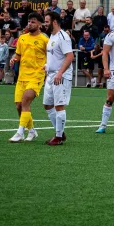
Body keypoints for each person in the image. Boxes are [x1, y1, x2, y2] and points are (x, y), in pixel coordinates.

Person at [7, 13, 49, 143]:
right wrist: (14, 58)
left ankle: (20, 133)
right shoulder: (22, 38)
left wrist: (49, 65)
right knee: (19, 106)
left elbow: (52, 56)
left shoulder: (45, 40)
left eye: (33, 22)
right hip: (22, 76)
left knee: (25, 102)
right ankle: (31, 131)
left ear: (40, 25)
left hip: (36, 76)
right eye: (29, 21)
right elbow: (18, 54)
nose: (30, 24)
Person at [41, 11, 74, 146]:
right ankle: (59, 131)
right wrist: (47, 66)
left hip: (61, 76)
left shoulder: (63, 37)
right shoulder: (52, 36)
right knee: (47, 104)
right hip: (51, 75)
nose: (45, 24)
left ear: (54, 22)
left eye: (47, 21)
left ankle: (59, 137)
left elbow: (70, 56)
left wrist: (60, 73)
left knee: (59, 106)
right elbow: (55, 56)